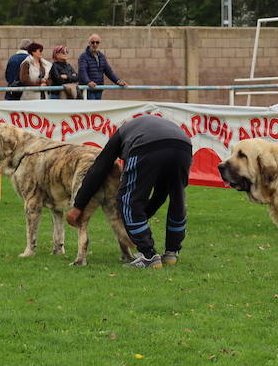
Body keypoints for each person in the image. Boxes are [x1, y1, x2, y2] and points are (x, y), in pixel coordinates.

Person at [66, 114, 190, 268]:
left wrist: (78, 205)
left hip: (146, 145)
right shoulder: (141, 127)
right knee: (177, 198)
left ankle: (148, 255)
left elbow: (99, 169)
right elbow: (160, 195)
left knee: (127, 200)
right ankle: (172, 253)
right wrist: (142, 216)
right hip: (184, 145)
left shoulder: (120, 135)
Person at [77, 34, 126, 100]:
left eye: (97, 42)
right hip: (88, 89)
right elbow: (82, 71)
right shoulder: (83, 56)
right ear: (89, 43)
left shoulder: (101, 56)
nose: (95, 44)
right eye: (93, 42)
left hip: (98, 88)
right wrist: (88, 82)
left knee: (97, 109)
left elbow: (108, 71)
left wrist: (118, 81)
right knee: (91, 109)